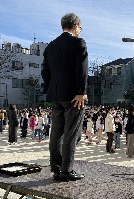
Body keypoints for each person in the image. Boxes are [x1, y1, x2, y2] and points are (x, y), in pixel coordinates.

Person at [41, 12, 88, 182]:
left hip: (55, 95)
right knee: (71, 133)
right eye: (80, 28)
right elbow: (82, 69)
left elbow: (45, 72)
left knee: (56, 133)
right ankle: (66, 171)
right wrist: (81, 92)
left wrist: (50, 90)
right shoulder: (78, 43)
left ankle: (56, 167)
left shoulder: (50, 46)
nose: (80, 31)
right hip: (74, 96)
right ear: (75, 26)